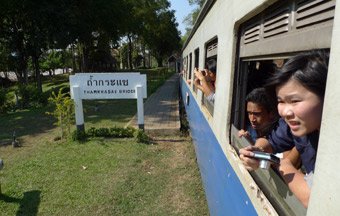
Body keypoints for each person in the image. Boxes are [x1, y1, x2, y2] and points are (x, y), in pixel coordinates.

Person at [239, 50, 329, 208]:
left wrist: (282, 164)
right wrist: (257, 150)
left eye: (295, 101)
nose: (286, 112)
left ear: (326, 96)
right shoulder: (297, 122)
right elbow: (270, 142)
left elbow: (313, 197)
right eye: (281, 101)